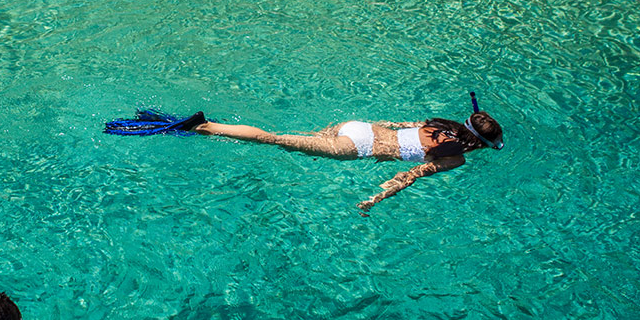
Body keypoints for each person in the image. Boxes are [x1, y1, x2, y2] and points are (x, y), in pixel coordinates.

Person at [104, 93, 506, 216]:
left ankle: (209, 132)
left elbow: (399, 127)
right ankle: (204, 126)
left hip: (358, 128)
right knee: (275, 139)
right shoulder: (456, 156)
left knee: (290, 138)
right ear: (482, 144)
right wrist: (375, 198)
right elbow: (411, 175)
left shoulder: (442, 126)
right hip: (357, 147)